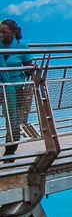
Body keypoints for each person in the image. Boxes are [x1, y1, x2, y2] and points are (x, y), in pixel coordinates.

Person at [1, 19, 34, 159]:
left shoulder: (22, 47)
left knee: (13, 120)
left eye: (4, 32)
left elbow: (28, 69)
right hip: (0, 85)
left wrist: (33, 70)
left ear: (14, 32)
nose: (1, 35)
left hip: (15, 88)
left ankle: (10, 151)